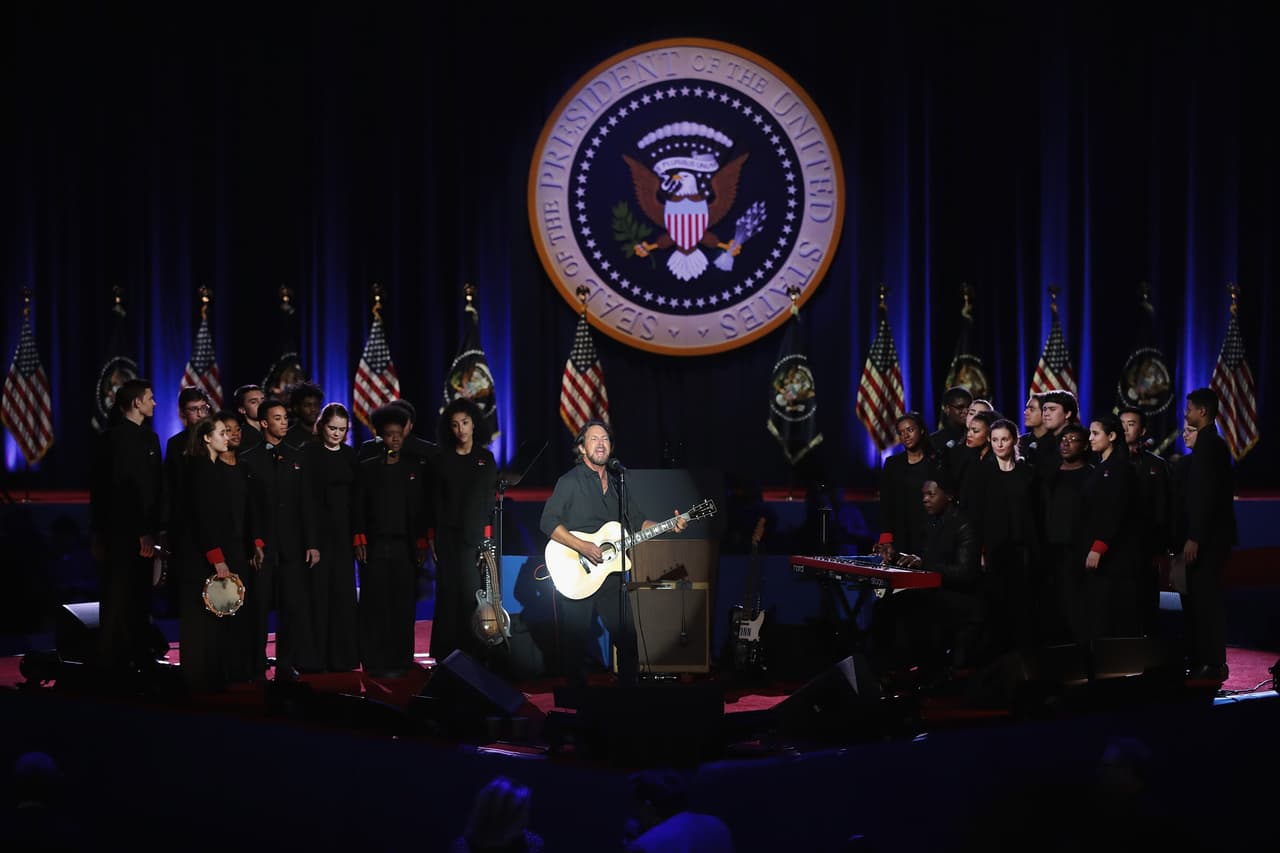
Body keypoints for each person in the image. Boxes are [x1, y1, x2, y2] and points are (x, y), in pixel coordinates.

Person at [539, 420, 688, 687]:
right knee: (575, 650)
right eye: (594, 438)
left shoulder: (619, 484)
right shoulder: (569, 482)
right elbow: (548, 522)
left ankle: (628, 700)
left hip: (611, 573)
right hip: (577, 570)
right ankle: (577, 709)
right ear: (582, 448)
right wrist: (582, 546)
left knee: (629, 640)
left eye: (605, 439)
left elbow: (639, 522)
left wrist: (669, 526)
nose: (600, 443)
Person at [239, 397, 321, 680]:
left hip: (293, 547)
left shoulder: (297, 457)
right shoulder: (247, 459)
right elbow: (247, 508)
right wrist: (254, 542)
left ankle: (286, 664)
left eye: (285, 417)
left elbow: (306, 504)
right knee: (258, 607)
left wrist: (311, 542)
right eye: (277, 418)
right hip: (261, 547)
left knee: (292, 606)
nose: (284, 422)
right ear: (264, 423)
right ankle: (255, 663)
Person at [92, 378, 165, 676]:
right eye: (150, 397)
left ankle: (138, 655)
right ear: (137, 403)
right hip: (124, 535)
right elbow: (120, 491)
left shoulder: (150, 438)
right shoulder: (115, 438)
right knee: (118, 596)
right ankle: (110, 663)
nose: (154, 403)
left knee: (140, 598)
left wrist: (157, 527)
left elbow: (154, 488)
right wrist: (140, 531)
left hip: (145, 531)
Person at [182, 417, 261, 692]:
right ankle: (199, 679)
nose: (227, 437)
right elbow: (204, 518)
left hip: (217, 552)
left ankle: (215, 674)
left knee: (217, 621)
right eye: (221, 433)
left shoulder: (213, 468)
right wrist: (217, 557)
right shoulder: (200, 469)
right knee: (201, 622)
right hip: (202, 557)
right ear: (206, 438)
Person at [353, 403, 430, 678]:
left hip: (404, 548)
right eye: (389, 434)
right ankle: (373, 661)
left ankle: (401, 659)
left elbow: (421, 509)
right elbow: (359, 506)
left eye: (399, 434)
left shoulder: (414, 468)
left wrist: (421, 542)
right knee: (375, 604)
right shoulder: (368, 468)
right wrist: (359, 538)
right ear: (381, 436)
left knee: (402, 604)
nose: (395, 439)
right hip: (374, 547)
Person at [964, 418, 1040, 659]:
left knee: (1022, 607)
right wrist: (980, 552)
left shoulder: (1027, 473)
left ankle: (1022, 661)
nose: (999, 444)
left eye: (1004, 439)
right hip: (993, 550)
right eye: (995, 439)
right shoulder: (981, 472)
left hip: (1021, 549)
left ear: (1015, 440)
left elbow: (1034, 515)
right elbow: (974, 516)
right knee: (995, 607)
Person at [431, 397, 499, 663]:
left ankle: (473, 654)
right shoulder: (441, 460)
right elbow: (434, 503)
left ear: (474, 425)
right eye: (455, 424)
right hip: (448, 537)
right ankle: (445, 655)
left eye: (465, 423)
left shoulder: (485, 458)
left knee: (473, 595)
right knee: (448, 594)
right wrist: (432, 537)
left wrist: (487, 539)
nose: (461, 429)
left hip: (475, 540)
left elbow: (490, 503)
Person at [1178, 389, 1237, 681]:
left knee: (1206, 601)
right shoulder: (1210, 444)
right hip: (1209, 537)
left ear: (1202, 412)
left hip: (1209, 540)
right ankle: (1204, 658)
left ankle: (1213, 663)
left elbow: (1206, 495)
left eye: (1189, 409)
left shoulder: (1209, 444)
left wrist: (1195, 536)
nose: (1186, 414)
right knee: (1199, 600)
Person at [302, 403, 360, 672]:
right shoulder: (310, 453)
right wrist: (311, 542)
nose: (337, 433)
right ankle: (317, 659)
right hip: (319, 539)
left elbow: (357, 500)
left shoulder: (350, 456)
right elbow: (306, 502)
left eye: (342, 429)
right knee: (319, 598)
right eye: (332, 428)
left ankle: (343, 658)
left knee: (343, 597)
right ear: (322, 426)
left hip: (344, 538)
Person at [1075, 413, 1141, 643]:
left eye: (1095, 434)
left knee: (1111, 613)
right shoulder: (1100, 467)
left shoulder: (1119, 468)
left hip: (1113, 556)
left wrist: (1099, 547)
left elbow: (1114, 511)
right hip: (1099, 552)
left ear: (1112, 436)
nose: (1090, 438)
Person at [1119, 406, 1171, 636]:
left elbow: (1164, 508)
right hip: (1115, 546)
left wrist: (1160, 548)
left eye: (1131, 424)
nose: (1125, 429)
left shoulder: (1157, 466)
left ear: (1143, 430)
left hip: (1146, 547)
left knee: (1146, 603)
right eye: (1121, 424)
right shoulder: (1103, 462)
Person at [1039, 422, 1093, 645]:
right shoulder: (1049, 474)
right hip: (1049, 548)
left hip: (1077, 550)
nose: (1066, 444)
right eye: (1063, 440)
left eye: (1073, 440)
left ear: (1085, 446)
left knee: (1076, 605)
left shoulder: (1091, 475)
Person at [875, 412, 937, 562]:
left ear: (921, 430)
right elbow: (886, 505)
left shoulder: (936, 461)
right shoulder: (892, 464)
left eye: (910, 430)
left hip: (930, 535)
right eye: (901, 432)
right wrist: (886, 539)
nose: (905, 436)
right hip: (901, 535)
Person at [623, 769, 734, 853]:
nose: (635, 815)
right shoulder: (718, 825)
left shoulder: (645, 845)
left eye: (636, 807)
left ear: (647, 807)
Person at [450, 776, 544, 853]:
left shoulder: (533, 844)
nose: (526, 817)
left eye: (526, 809)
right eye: (521, 811)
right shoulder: (463, 848)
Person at [929, 386, 973, 457]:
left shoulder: (976, 437)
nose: (966, 411)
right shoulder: (934, 441)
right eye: (960, 407)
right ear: (947, 409)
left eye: (969, 407)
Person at [284, 381, 324, 449]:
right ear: (296, 408)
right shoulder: (288, 437)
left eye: (316, 404)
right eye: (307, 405)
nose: (313, 409)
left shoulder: (325, 433)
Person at [233, 383, 266, 453]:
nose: (261, 405)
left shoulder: (273, 430)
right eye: (254, 402)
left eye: (263, 400)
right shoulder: (240, 438)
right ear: (242, 409)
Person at [1018, 392, 1049, 459]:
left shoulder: (1056, 442)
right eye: (1027, 409)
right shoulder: (1020, 442)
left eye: (1032, 409)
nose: (1025, 412)